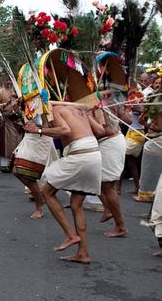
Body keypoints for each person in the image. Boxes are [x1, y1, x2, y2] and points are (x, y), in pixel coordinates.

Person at [25, 104, 102, 264]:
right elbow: (100, 132)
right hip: (94, 154)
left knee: (46, 192)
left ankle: (70, 235)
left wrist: (38, 130)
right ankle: (83, 253)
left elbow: (65, 130)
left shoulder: (57, 109)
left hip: (79, 155)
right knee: (76, 204)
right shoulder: (79, 110)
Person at [88, 91, 131, 237]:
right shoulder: (106, 103)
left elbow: (102, 131)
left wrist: (88, 116)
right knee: (98, 181)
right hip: (112, 142)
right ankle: (108, 209)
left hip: (110, 143)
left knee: (109, 186)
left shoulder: (100, 105)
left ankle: (120, 226)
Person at [12, 114, 57, 219]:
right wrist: (17, 110)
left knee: (28, 175)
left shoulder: (44, 101)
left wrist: (38, 127)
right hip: (29, 137)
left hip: (41, 139)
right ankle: (39, 198)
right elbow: (24, 118)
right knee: (18, 171)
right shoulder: (28, 100)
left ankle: (39, 206)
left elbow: (49, 125)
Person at [0, 79, 24, 171]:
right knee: (5, 144)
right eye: (7, 79)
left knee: (17, 142)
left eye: (10, 80)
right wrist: (4, 105)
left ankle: (15, 164)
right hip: (6, 121)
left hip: (18, 120)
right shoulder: (0, 92)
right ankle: (4, 165)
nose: (9, 81)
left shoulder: (18, 91)